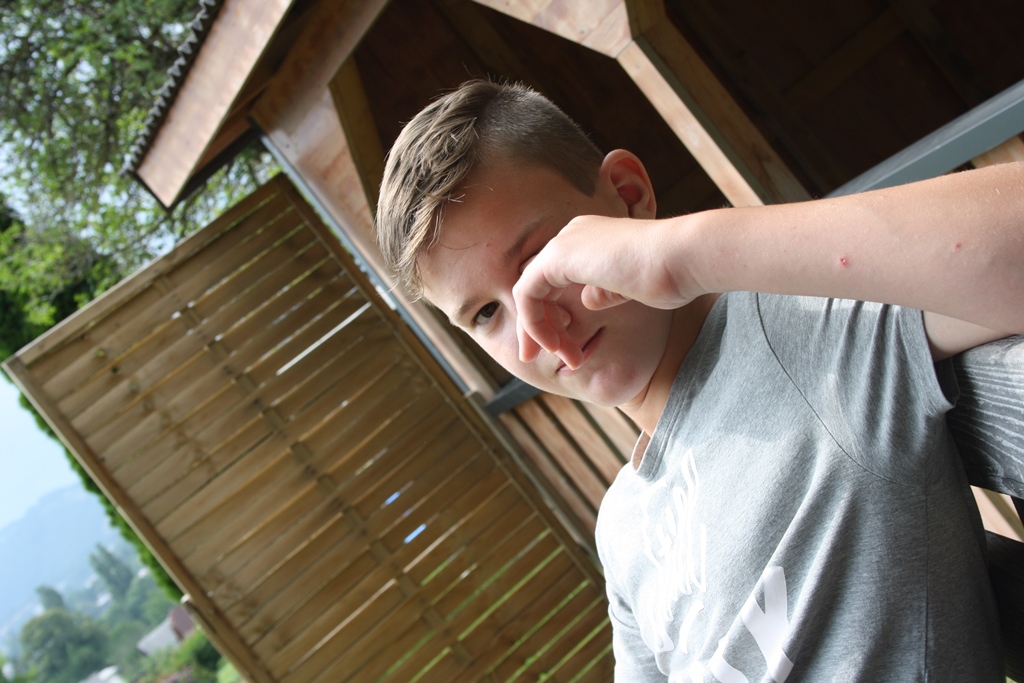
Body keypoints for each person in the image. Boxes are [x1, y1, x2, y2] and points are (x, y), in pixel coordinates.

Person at [374, 79, 1024, 681]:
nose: (536, 331)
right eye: (486, 315)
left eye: (543, 261)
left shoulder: (804, 325)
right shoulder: (623, 527)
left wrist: (678, 254)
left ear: (628, 195)